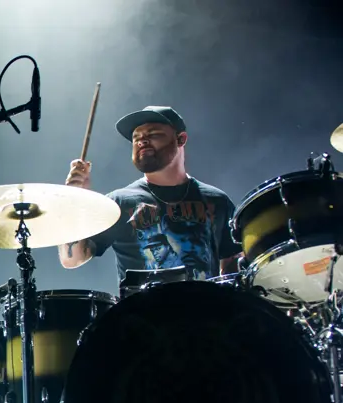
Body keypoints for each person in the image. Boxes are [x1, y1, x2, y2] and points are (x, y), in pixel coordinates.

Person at [58, 105, 242, 281]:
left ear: (181, 139)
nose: (142, 140)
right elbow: (72, 259)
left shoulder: (216, 200)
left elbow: (232, 268)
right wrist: (75, 201)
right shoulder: (118, 202)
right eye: (136, 137)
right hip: (140, 313)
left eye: (154, 134)